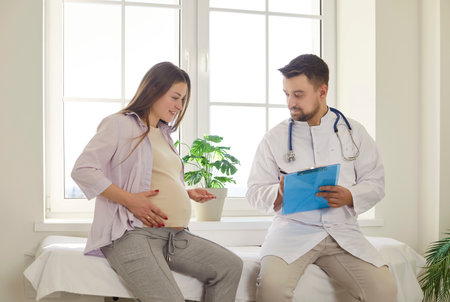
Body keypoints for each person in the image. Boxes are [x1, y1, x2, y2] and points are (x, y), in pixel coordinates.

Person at [72, 62, 243, 302]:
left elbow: (151, 178)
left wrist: (185, 193)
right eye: (175, 97)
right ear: (153, 89)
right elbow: (83, 170)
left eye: (183, 99)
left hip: (174, 238)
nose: (179, 106)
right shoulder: (119, 124)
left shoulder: (163, 134)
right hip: (133, 234)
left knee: (230, 266)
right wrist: (131, 201)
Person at [246, 54, 397, 302]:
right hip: (292, 231)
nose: (290, 102)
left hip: (342, 232)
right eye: (286, 94)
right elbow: (254, 191)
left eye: (298, 94)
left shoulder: (353, 132)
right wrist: (280, 191)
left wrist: (350, 196)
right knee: (272, 288)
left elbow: (376, 182)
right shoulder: (274, 138)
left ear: (322, 91)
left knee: (384, 289)